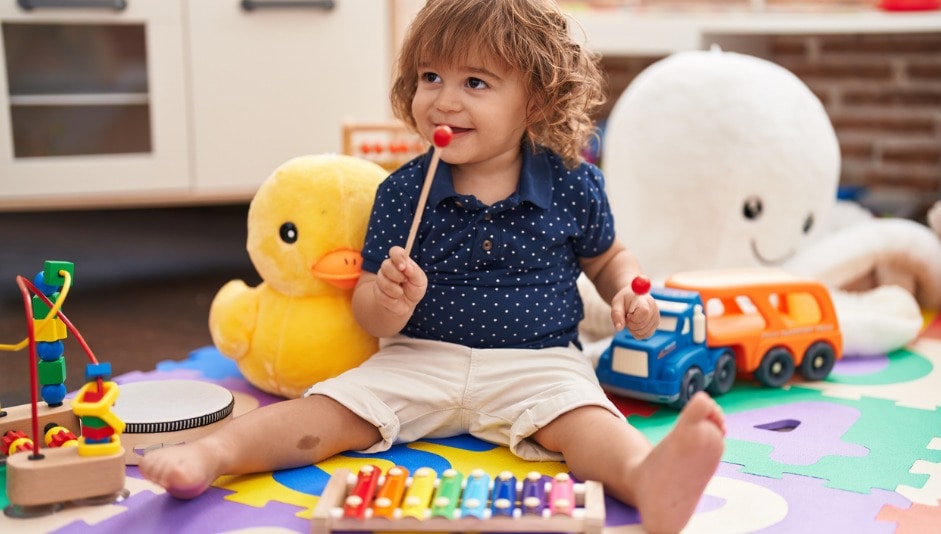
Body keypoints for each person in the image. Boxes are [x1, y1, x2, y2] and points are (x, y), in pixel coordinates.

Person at [139, 0, 726, 531]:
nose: (444, 100)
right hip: (417, 359)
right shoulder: (401, 193)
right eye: (430, 78)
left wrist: (628, 292)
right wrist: (386, 300)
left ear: (538, 99)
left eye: (476, 82)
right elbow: (370, 313)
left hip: (539, 362)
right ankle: (214, 455)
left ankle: (649, 477)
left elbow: (609, 259)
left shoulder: (574, 183)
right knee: (322, 412)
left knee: (590, 426)